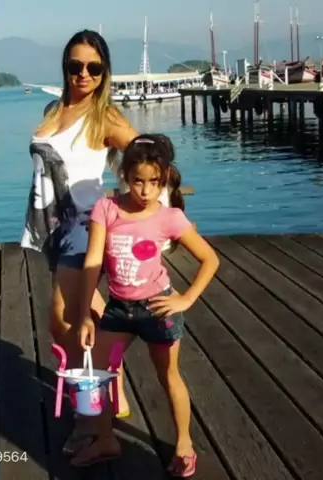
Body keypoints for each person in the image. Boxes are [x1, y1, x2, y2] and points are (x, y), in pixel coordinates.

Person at [20, 29, 155, 455]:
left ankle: (95, 424)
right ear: (65, 66)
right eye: (75, 65)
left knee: (66, 322)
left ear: (103, 72)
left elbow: (147, 158)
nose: (83, 74)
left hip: (84, 225)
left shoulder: (105, 117)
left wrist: (145, 209)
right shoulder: (53, 109)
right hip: (55, 224)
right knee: (88, 314)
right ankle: (112, 393)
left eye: (93, 68)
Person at [75, 133, 220, 476]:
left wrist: (186, 298)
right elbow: (93, 262)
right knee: (98, 374)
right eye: (137, 181)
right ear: (125, 176)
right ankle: (106, 439)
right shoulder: (106, 209)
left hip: (157, 309)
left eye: (154, 182)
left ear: (164, 178)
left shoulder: (170, 217)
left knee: (168, 375)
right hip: (118, 309)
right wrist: (84, 315)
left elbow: (210, 259)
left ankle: (183, 443)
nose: (145, 190)